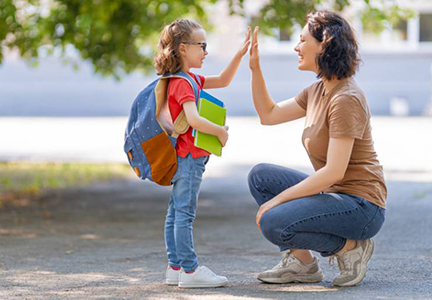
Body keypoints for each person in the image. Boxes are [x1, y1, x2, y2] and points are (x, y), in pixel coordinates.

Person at [247, 11, 387, 287]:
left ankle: (350, 247)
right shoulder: (317, 90)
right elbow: (269, 114)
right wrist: (255, 68)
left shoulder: (346, 98)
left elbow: (333, 171)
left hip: (362, 206)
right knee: (261, 176)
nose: (296, 47)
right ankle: (303, 263)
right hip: (336, 195)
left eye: (302, 40)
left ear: (324, 45)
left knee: (274, 221)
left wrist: (277, 201)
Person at [154, 19, 250, 288]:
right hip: (189, 158)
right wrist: (220, 132)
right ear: (183, 48)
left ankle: (175, 268)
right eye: (202, 46)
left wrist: (240, 54)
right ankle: (190, 269)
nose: (206, 52)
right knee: (184, 214)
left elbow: (223, 80)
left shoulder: (186, 79)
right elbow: (194, 119)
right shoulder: (183, 83)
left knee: (175, 212)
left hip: (182, 157)